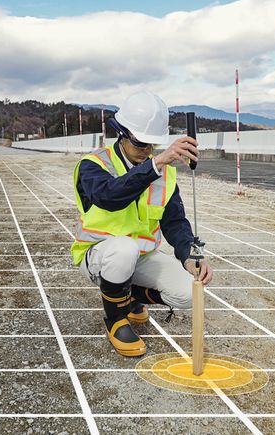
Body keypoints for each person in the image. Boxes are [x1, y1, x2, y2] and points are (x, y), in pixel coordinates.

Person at [70, 91, 213, 357]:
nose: (147, 151)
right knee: (124, 249)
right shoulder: (94, 165)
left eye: (152, 145)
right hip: (100, 256)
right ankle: (116, 319)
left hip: (141, 257)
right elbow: (109, 197)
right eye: (140, 143)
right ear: (121, 134)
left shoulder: (163, 174)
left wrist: (189, 256)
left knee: (189, 293)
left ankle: (129, 296)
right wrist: (155, 165)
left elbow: (175, 222)